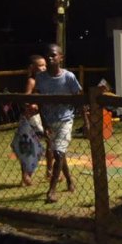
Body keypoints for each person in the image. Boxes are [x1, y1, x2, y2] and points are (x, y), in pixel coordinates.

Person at [30, 44, 90, 204]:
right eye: (48, 55)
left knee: (58, 152)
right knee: (59, 154)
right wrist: (44, 124)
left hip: (65, 120)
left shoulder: (68, 77)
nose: (50, 58)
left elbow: (79, 99)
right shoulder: (41, 78)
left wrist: (86, 122)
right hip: (49, 121)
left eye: (53, 55)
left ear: (61, 58)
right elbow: (39, 101)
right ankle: (69, 180)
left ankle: (51, 190)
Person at [20, 54, 53, 186]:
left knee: (50, 142)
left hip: (44, 116)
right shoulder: (32, 81)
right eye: (40, 65)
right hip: (33, 117)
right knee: (30, 146)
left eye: (45, 65)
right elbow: (26, 99)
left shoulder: (45, 81)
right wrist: (32, 104)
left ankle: (50, 171)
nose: (44, 67)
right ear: (32, 68)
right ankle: (26, 175)